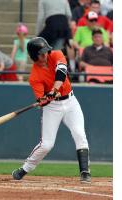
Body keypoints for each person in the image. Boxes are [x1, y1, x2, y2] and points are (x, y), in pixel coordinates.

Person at [12, 37, 91, 183]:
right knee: (47, 144)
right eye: (41, 53)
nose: (46, 55)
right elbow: (42, 100)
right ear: (34, 56)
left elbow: (61, 71)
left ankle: (85, 171)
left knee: (79, 133)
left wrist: (54, 89)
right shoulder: (34, 76)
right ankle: (24, 168)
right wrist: (44, 99)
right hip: (52, 107)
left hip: (70, 101)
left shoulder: (55, 54)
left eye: (46, 52)